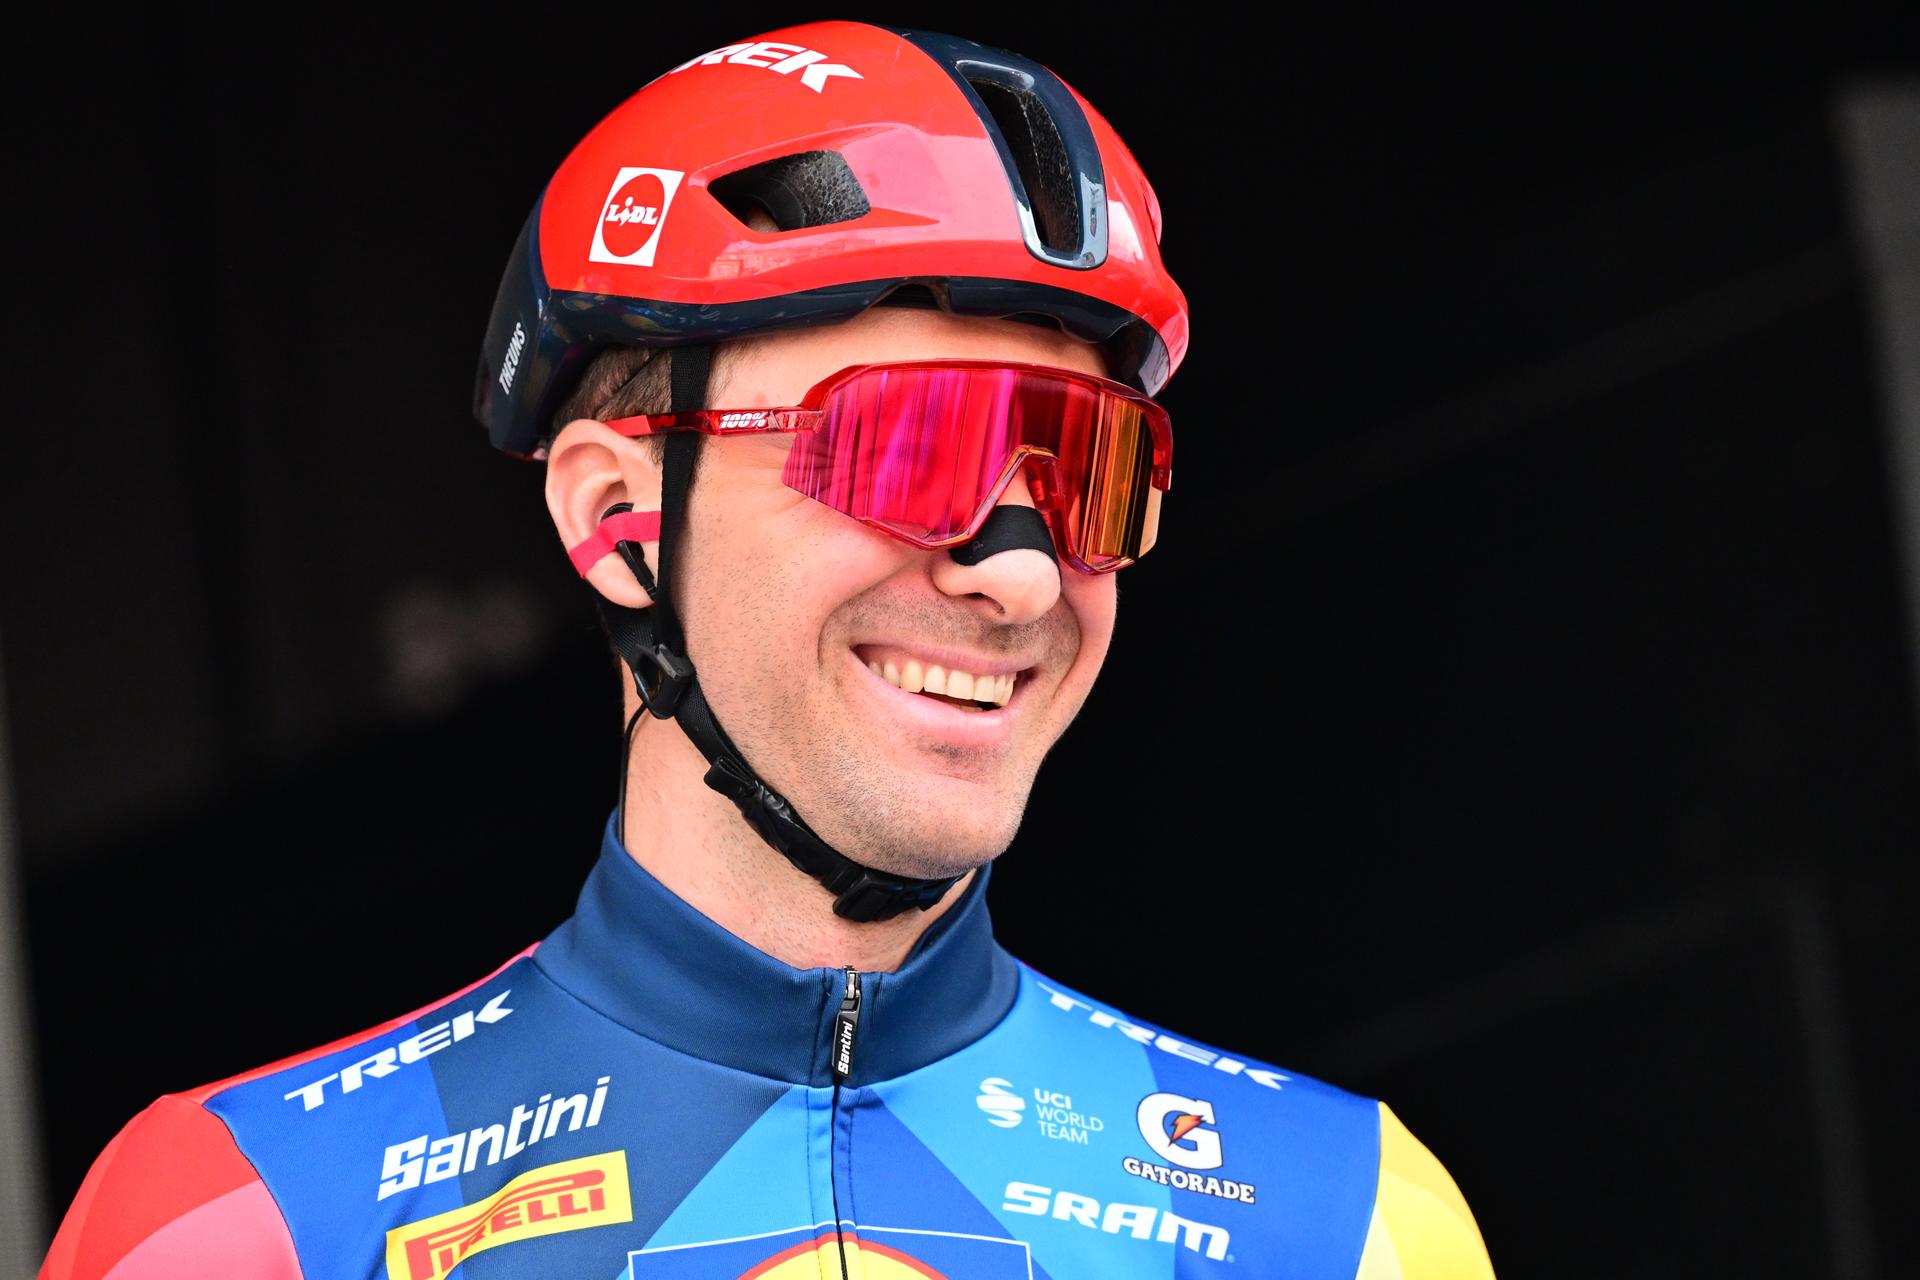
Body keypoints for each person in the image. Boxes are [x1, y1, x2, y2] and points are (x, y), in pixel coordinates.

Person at [39, 20, 1494, 1279]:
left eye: (1087, 465)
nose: (1019, 570)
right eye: (906, 445)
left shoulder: (1347, 1220)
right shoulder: (244, 1221)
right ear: (617, 518)